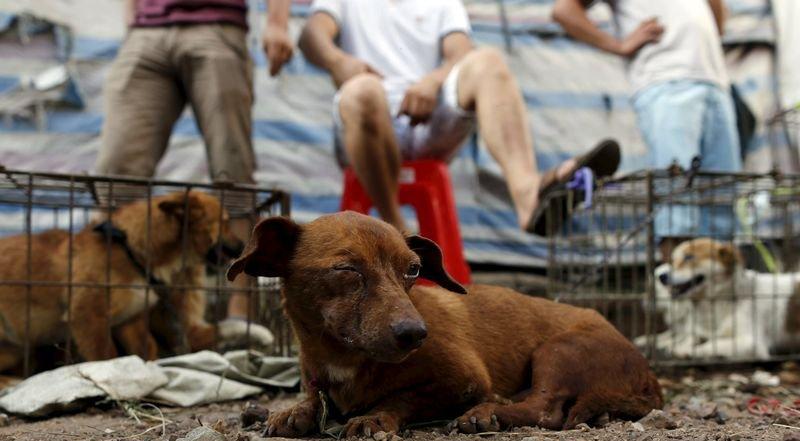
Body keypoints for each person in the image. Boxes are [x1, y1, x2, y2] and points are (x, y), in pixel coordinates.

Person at [300, 0, 621, 236]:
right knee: (364, 91)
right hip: (363, 129)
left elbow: (460, 51)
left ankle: (528, 194)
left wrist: (434, 80)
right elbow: (312, 34)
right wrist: (338, 60)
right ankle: (393, 224)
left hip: (425, 123)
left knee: (488, 62)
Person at [96, 0, 294, 319]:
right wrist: (131, 17)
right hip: (146, 33)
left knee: (232, 171)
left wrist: (277, 23)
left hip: (217, 25)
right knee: (115, 172)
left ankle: (240, 314)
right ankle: (107, 303)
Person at [552, 0, 741, 258]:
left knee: (722, 203)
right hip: (665, 82)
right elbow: (564, 10)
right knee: (676, 204)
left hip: (716, 84)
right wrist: (618, 45)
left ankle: (718, 294)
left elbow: (719, 27)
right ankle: (673, 292)